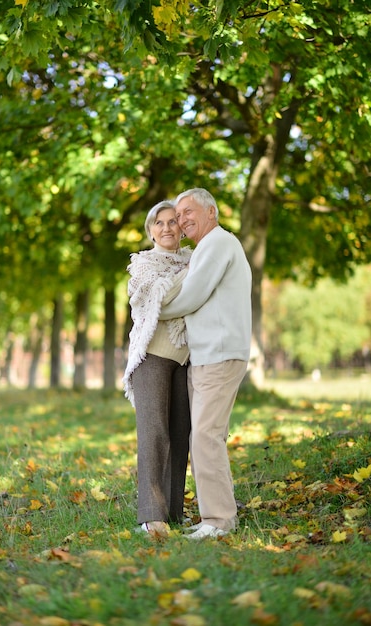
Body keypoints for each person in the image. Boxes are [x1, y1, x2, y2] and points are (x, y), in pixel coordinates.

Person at [159, 188, 252, 540]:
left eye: (188, 211)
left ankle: (220, 521)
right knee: (206, 437)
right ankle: (214, 514)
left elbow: (192, 295)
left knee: (206, 437)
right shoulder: (206, 248)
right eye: (178, 215)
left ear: (211, 211)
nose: (182, 220)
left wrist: (153, 312)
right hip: (207, 354)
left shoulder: (218, 243)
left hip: (220, 353)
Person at [123, 200, 192, 537]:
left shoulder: (193, 261)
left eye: (172, 222)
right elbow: (160, 302)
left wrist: (192, 273)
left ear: (181, 228)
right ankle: (150, 517)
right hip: (151, 356)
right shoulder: (143, 267)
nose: (166, 228)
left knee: (181, 435)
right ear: (150, 230)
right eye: (159, 223)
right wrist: (190, 276)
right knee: (154, 435)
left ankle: (173, 515)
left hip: (184, 358)